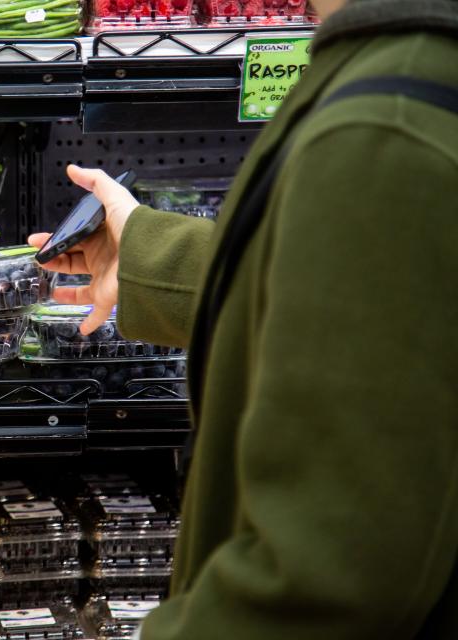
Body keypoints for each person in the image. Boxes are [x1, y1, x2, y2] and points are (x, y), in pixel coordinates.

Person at [29, 0, 458, 637]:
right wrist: (149, 252)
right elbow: (360, 289)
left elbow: (329, 575)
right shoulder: (398, 80)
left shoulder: (384, 128)